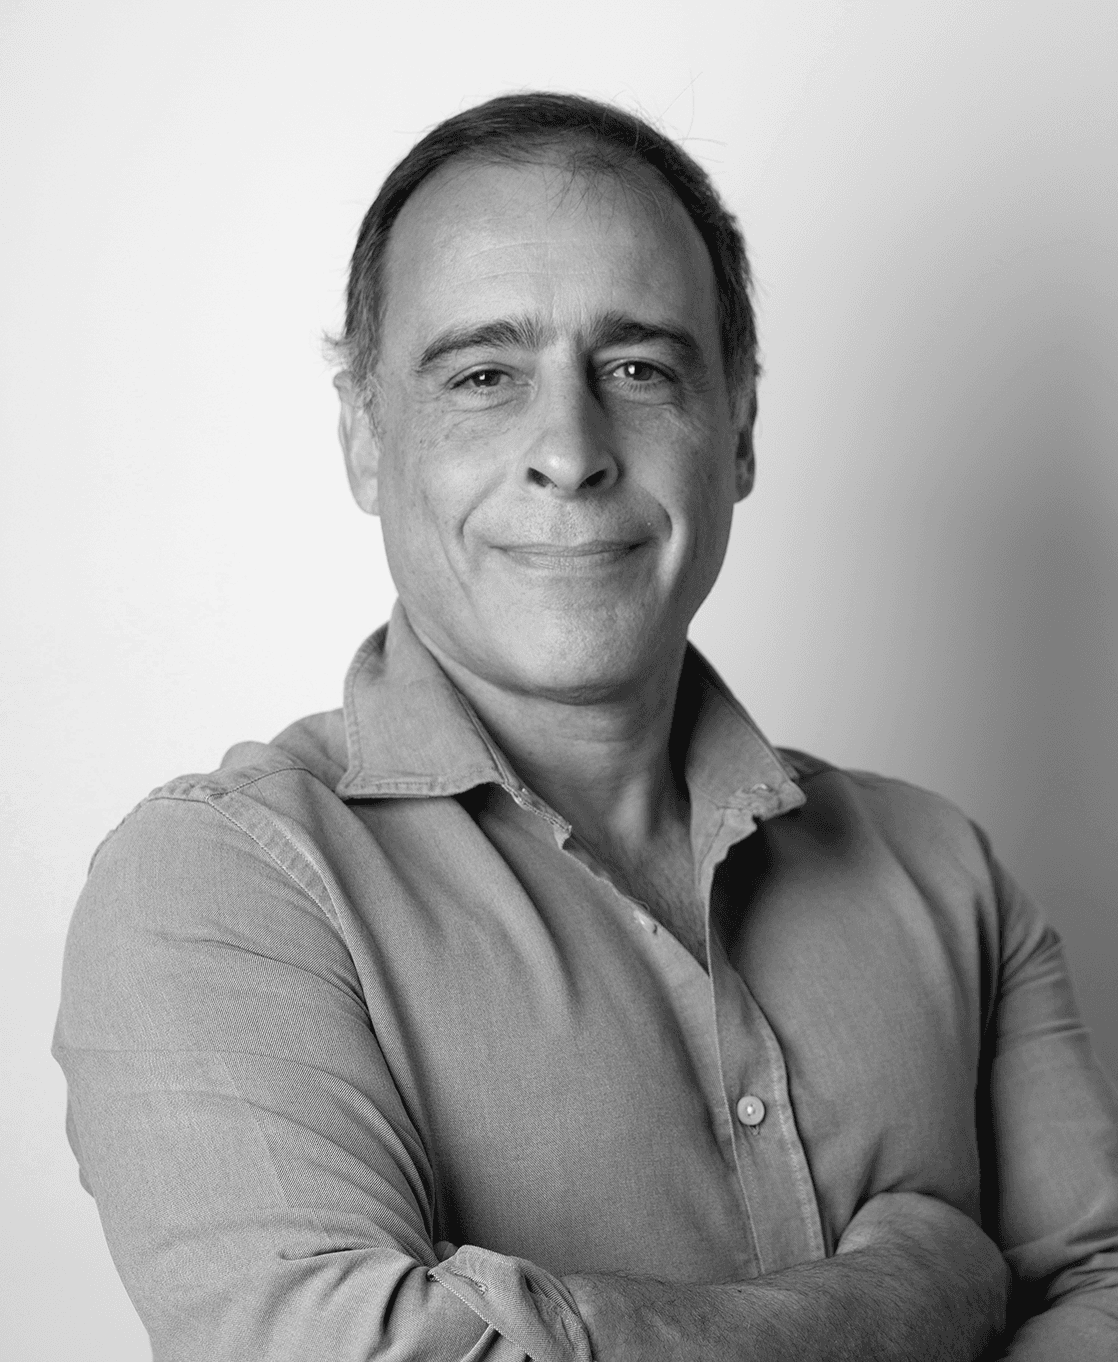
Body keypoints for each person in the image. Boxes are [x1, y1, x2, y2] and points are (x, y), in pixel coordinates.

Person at [54, 92, 1118, 1361]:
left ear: (738, 429)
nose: (569, 450)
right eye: (484, 376)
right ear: (363, 437)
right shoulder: (220, 888)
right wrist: (905, 1297)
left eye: (637, 369)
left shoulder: (942, 874)